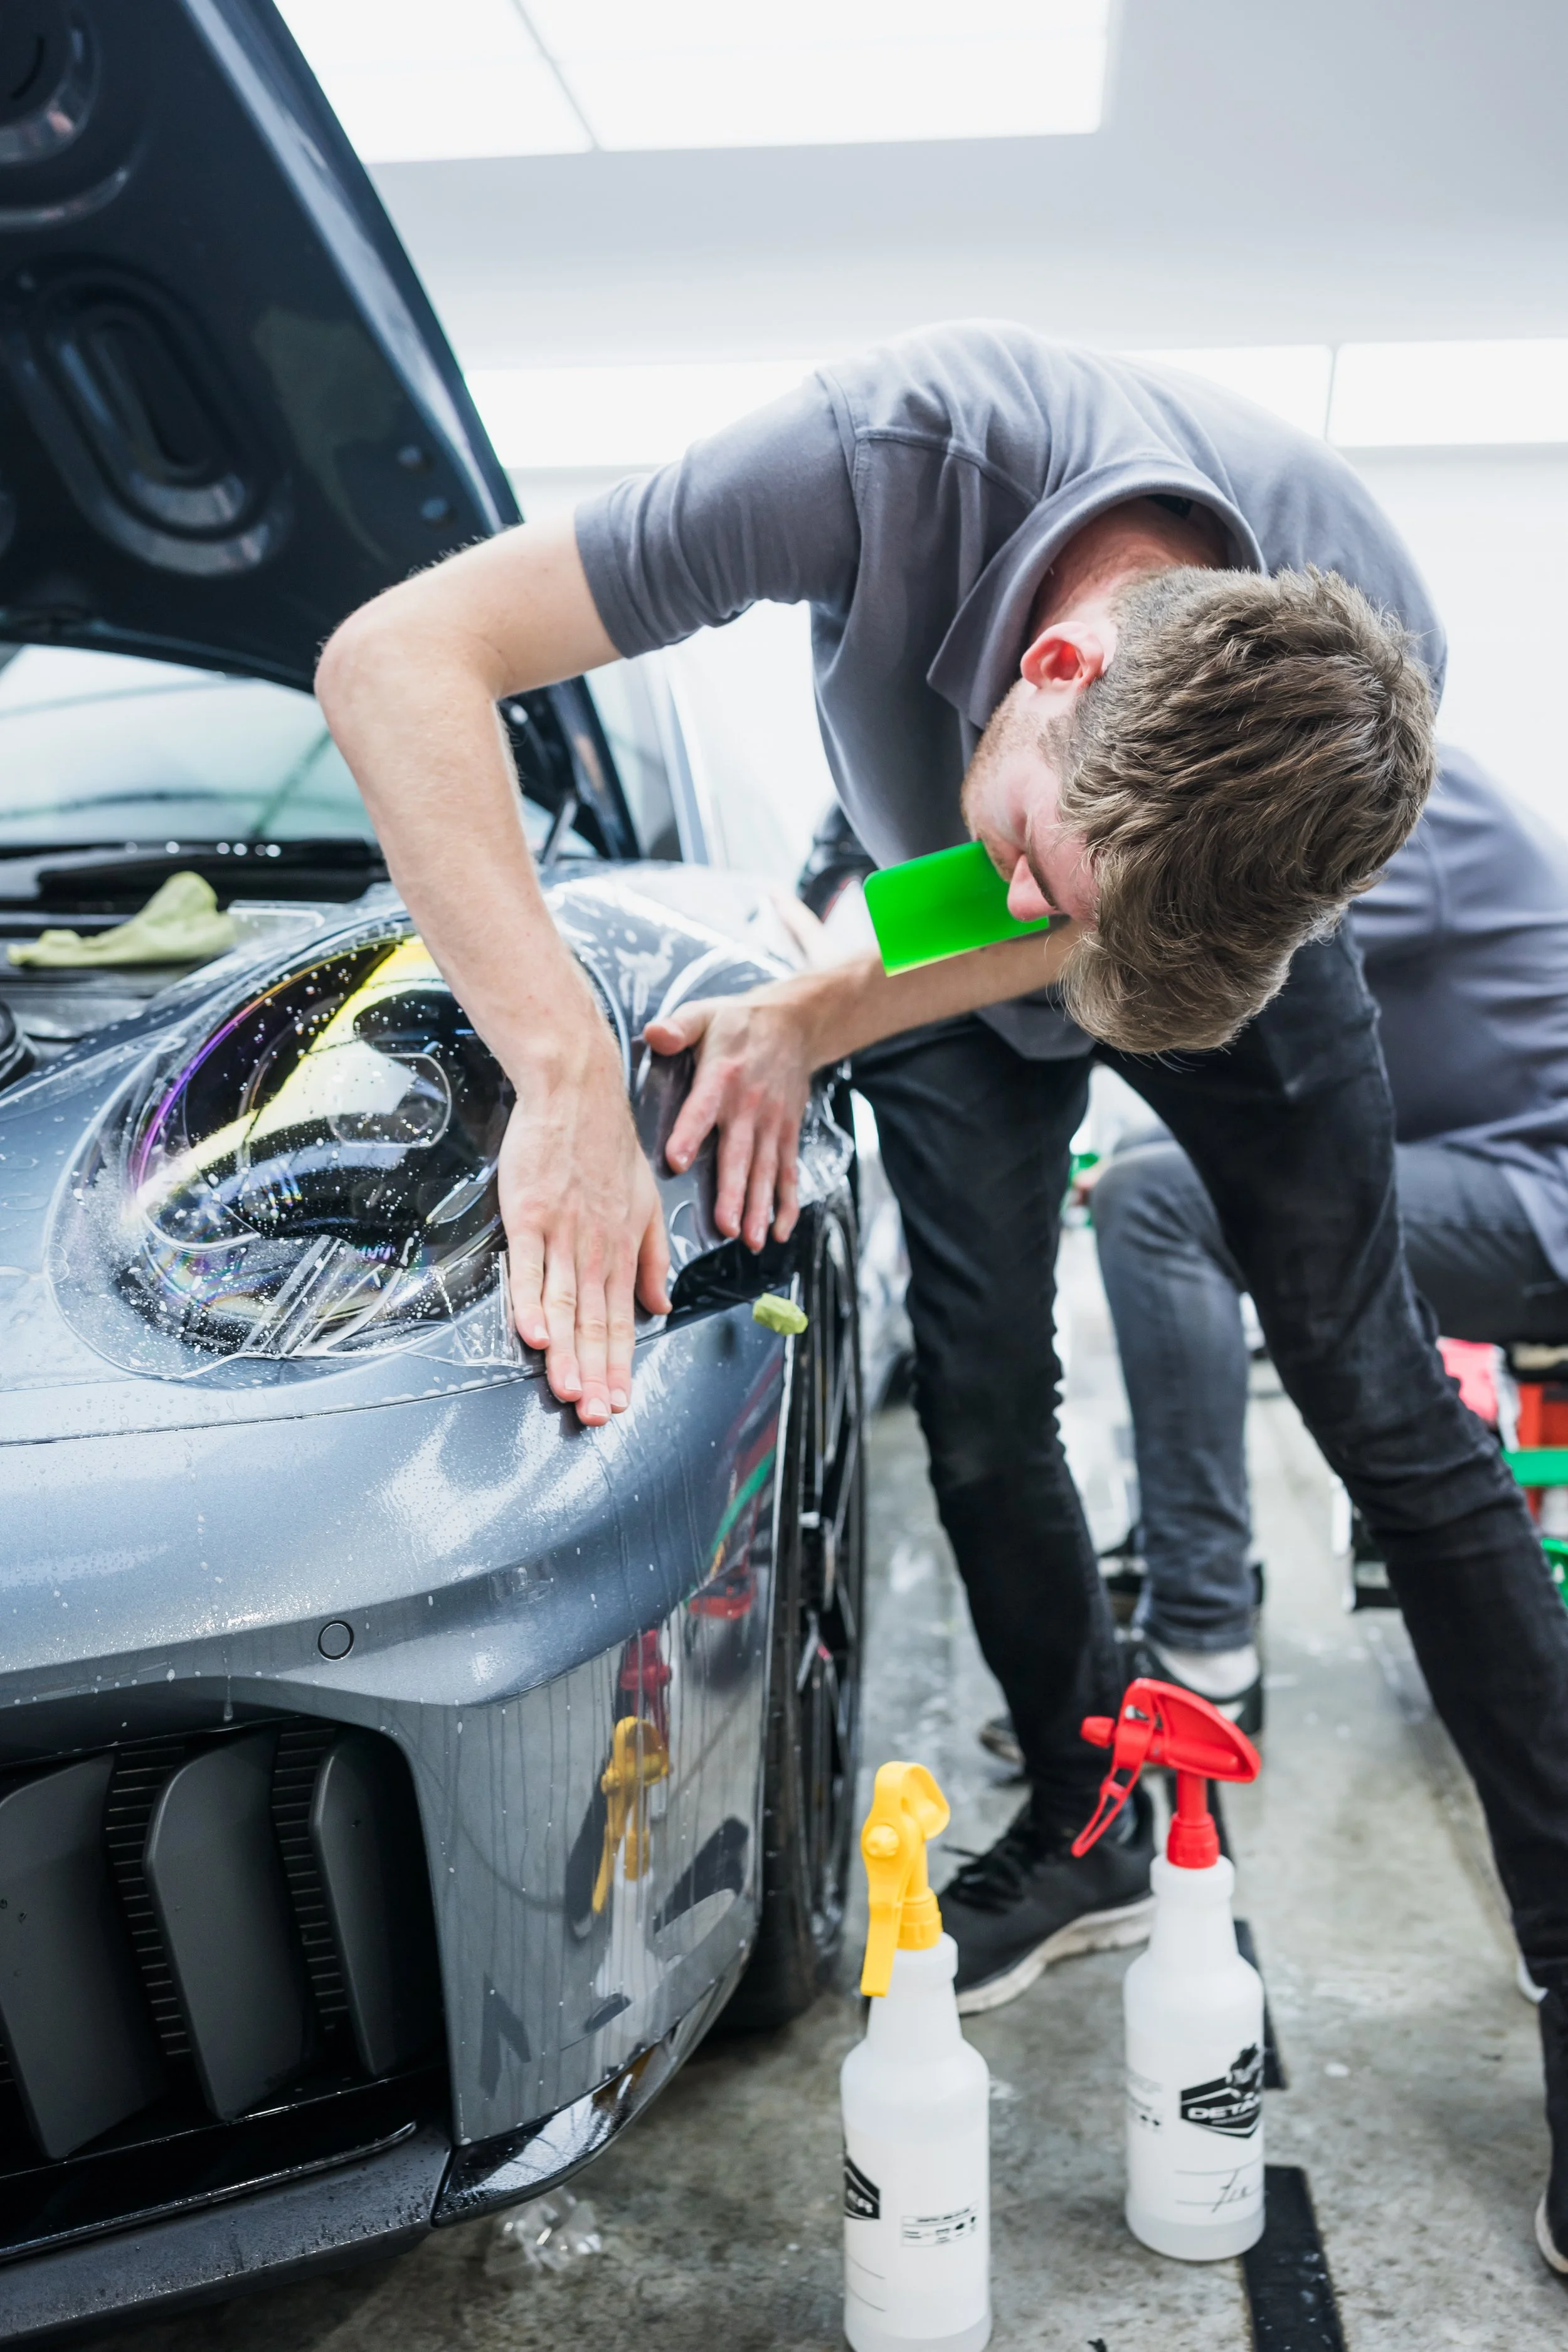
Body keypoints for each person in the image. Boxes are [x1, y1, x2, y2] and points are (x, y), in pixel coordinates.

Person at [315, 324, 1568, 2264]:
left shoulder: (1350, 673)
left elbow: (1093, 911)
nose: (1057, 951)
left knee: (1381, 1400)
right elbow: (394, 655)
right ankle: (1087, 1817)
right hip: (946, 880)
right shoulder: (876, 457)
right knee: (978, 1390)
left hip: (1147, 896)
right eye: (1051, 889)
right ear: (1048, 666)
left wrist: (880, 988)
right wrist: (575, 1066)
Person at [1089, 748, 1568, 1730]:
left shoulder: (1387, 807)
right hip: (1496, 1174)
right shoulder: (1357, 778)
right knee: (1154, 1168)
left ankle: (1202, 1640)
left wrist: (887, 954)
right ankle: (1187, 1554)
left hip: (1541, 1201)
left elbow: (1195, 954)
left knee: (1154, 1197)